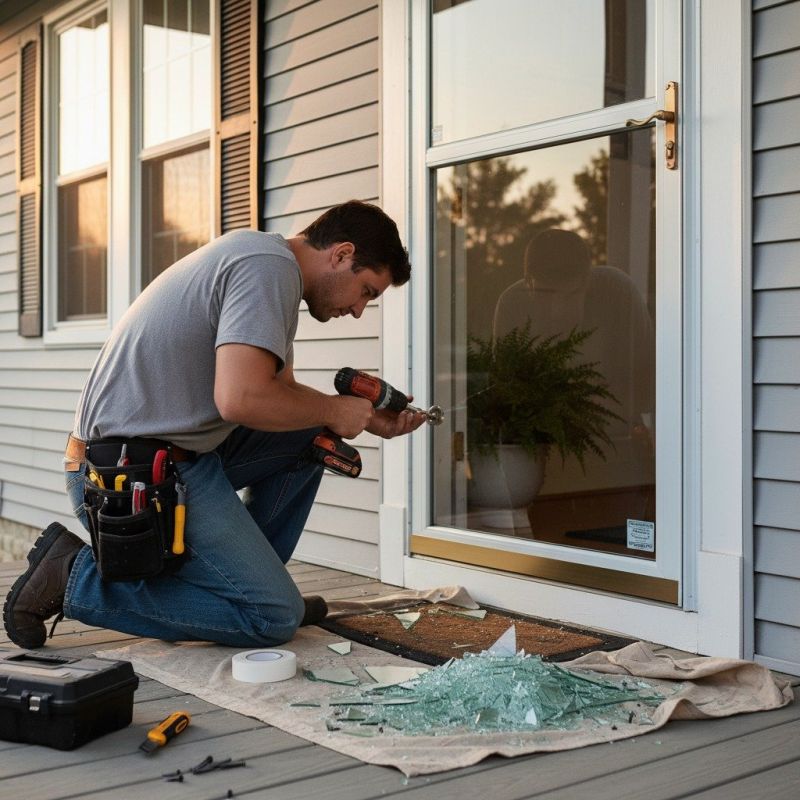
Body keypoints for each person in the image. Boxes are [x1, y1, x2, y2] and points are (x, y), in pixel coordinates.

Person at [3, 200, 424, 649]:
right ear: (341, 255)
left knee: (313, 437)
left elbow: (281, 400)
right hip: (128, 474)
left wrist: (362, 419)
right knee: (273, 617)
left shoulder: (266, 264)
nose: (359, 310)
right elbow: (240, 398)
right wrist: (333, 408)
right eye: (367, 292)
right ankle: (73, 577)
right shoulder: (268, 269)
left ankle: (245, 583)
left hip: (166, 453)